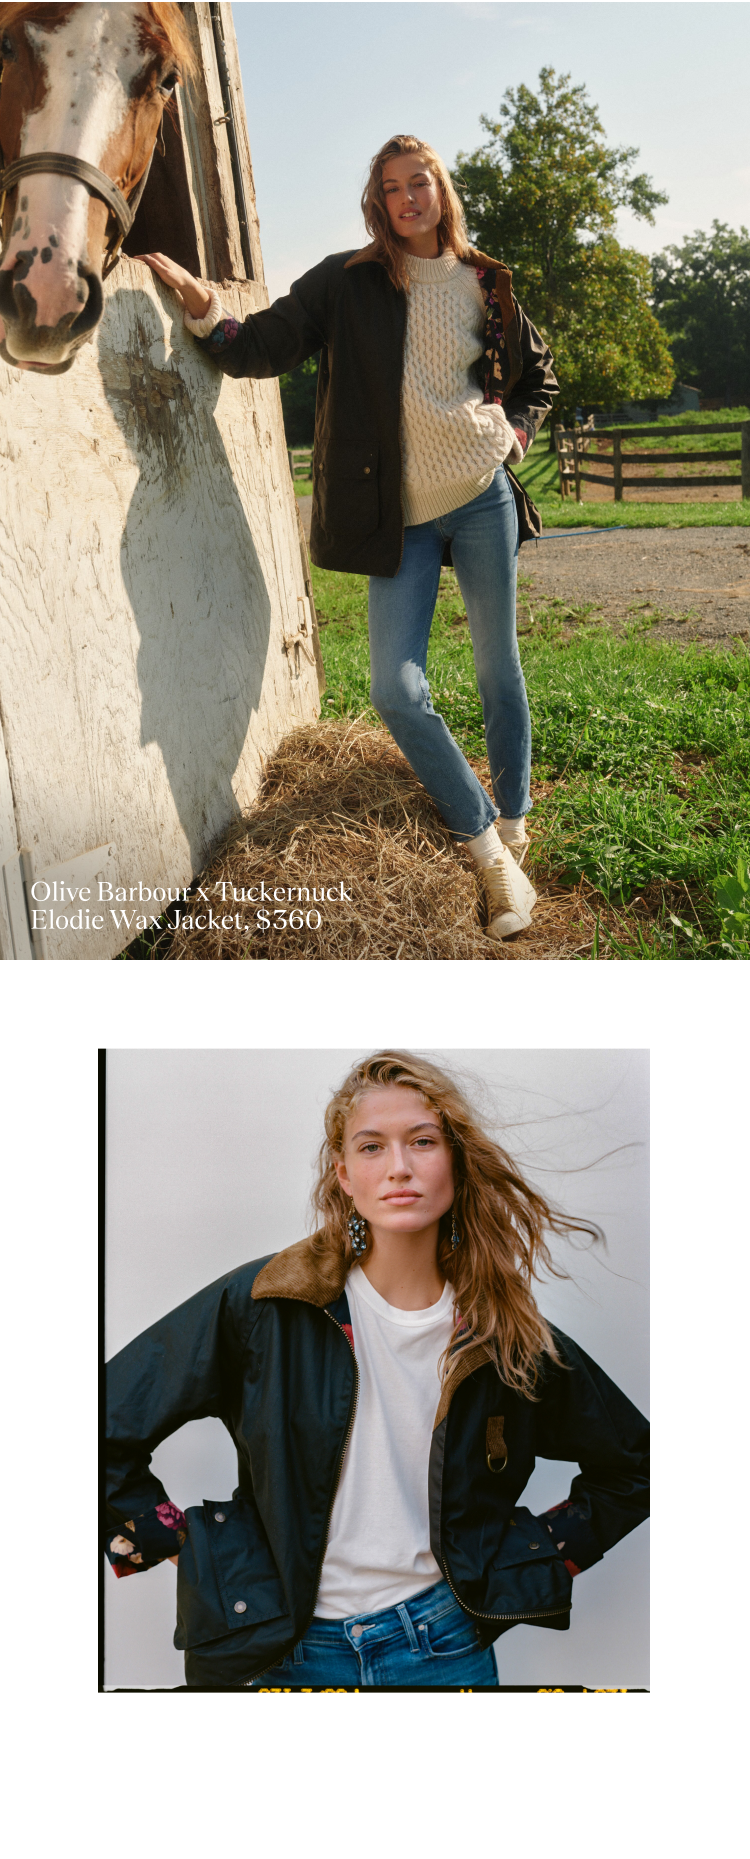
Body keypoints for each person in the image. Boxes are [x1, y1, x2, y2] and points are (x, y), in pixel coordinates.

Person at [106, 1051, 649, 1690]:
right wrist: (185, 1547)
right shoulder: (267, 1305)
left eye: (423, 1141)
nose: (399, 1168)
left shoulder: (504, 1337)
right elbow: (102, 1422)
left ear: (456, 1161)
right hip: (280, 1650)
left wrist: (526, 1562)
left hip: (443, 1645)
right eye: (371, 1147)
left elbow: (633, 1465)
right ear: (342, 1174)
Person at [140, 135, 559, 943]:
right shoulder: (347, 281)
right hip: (391, 517)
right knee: (395, 690)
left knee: (496, 670)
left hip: (479, 499)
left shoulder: (487, 282)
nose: (408, 198)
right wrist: (203, 310)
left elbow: (536, 373)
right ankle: (484, 846)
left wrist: (515, 431)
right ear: (378, 201)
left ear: (441, 190)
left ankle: (515, 823)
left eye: (420, 183)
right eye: (391, 187)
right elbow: (261, 347)